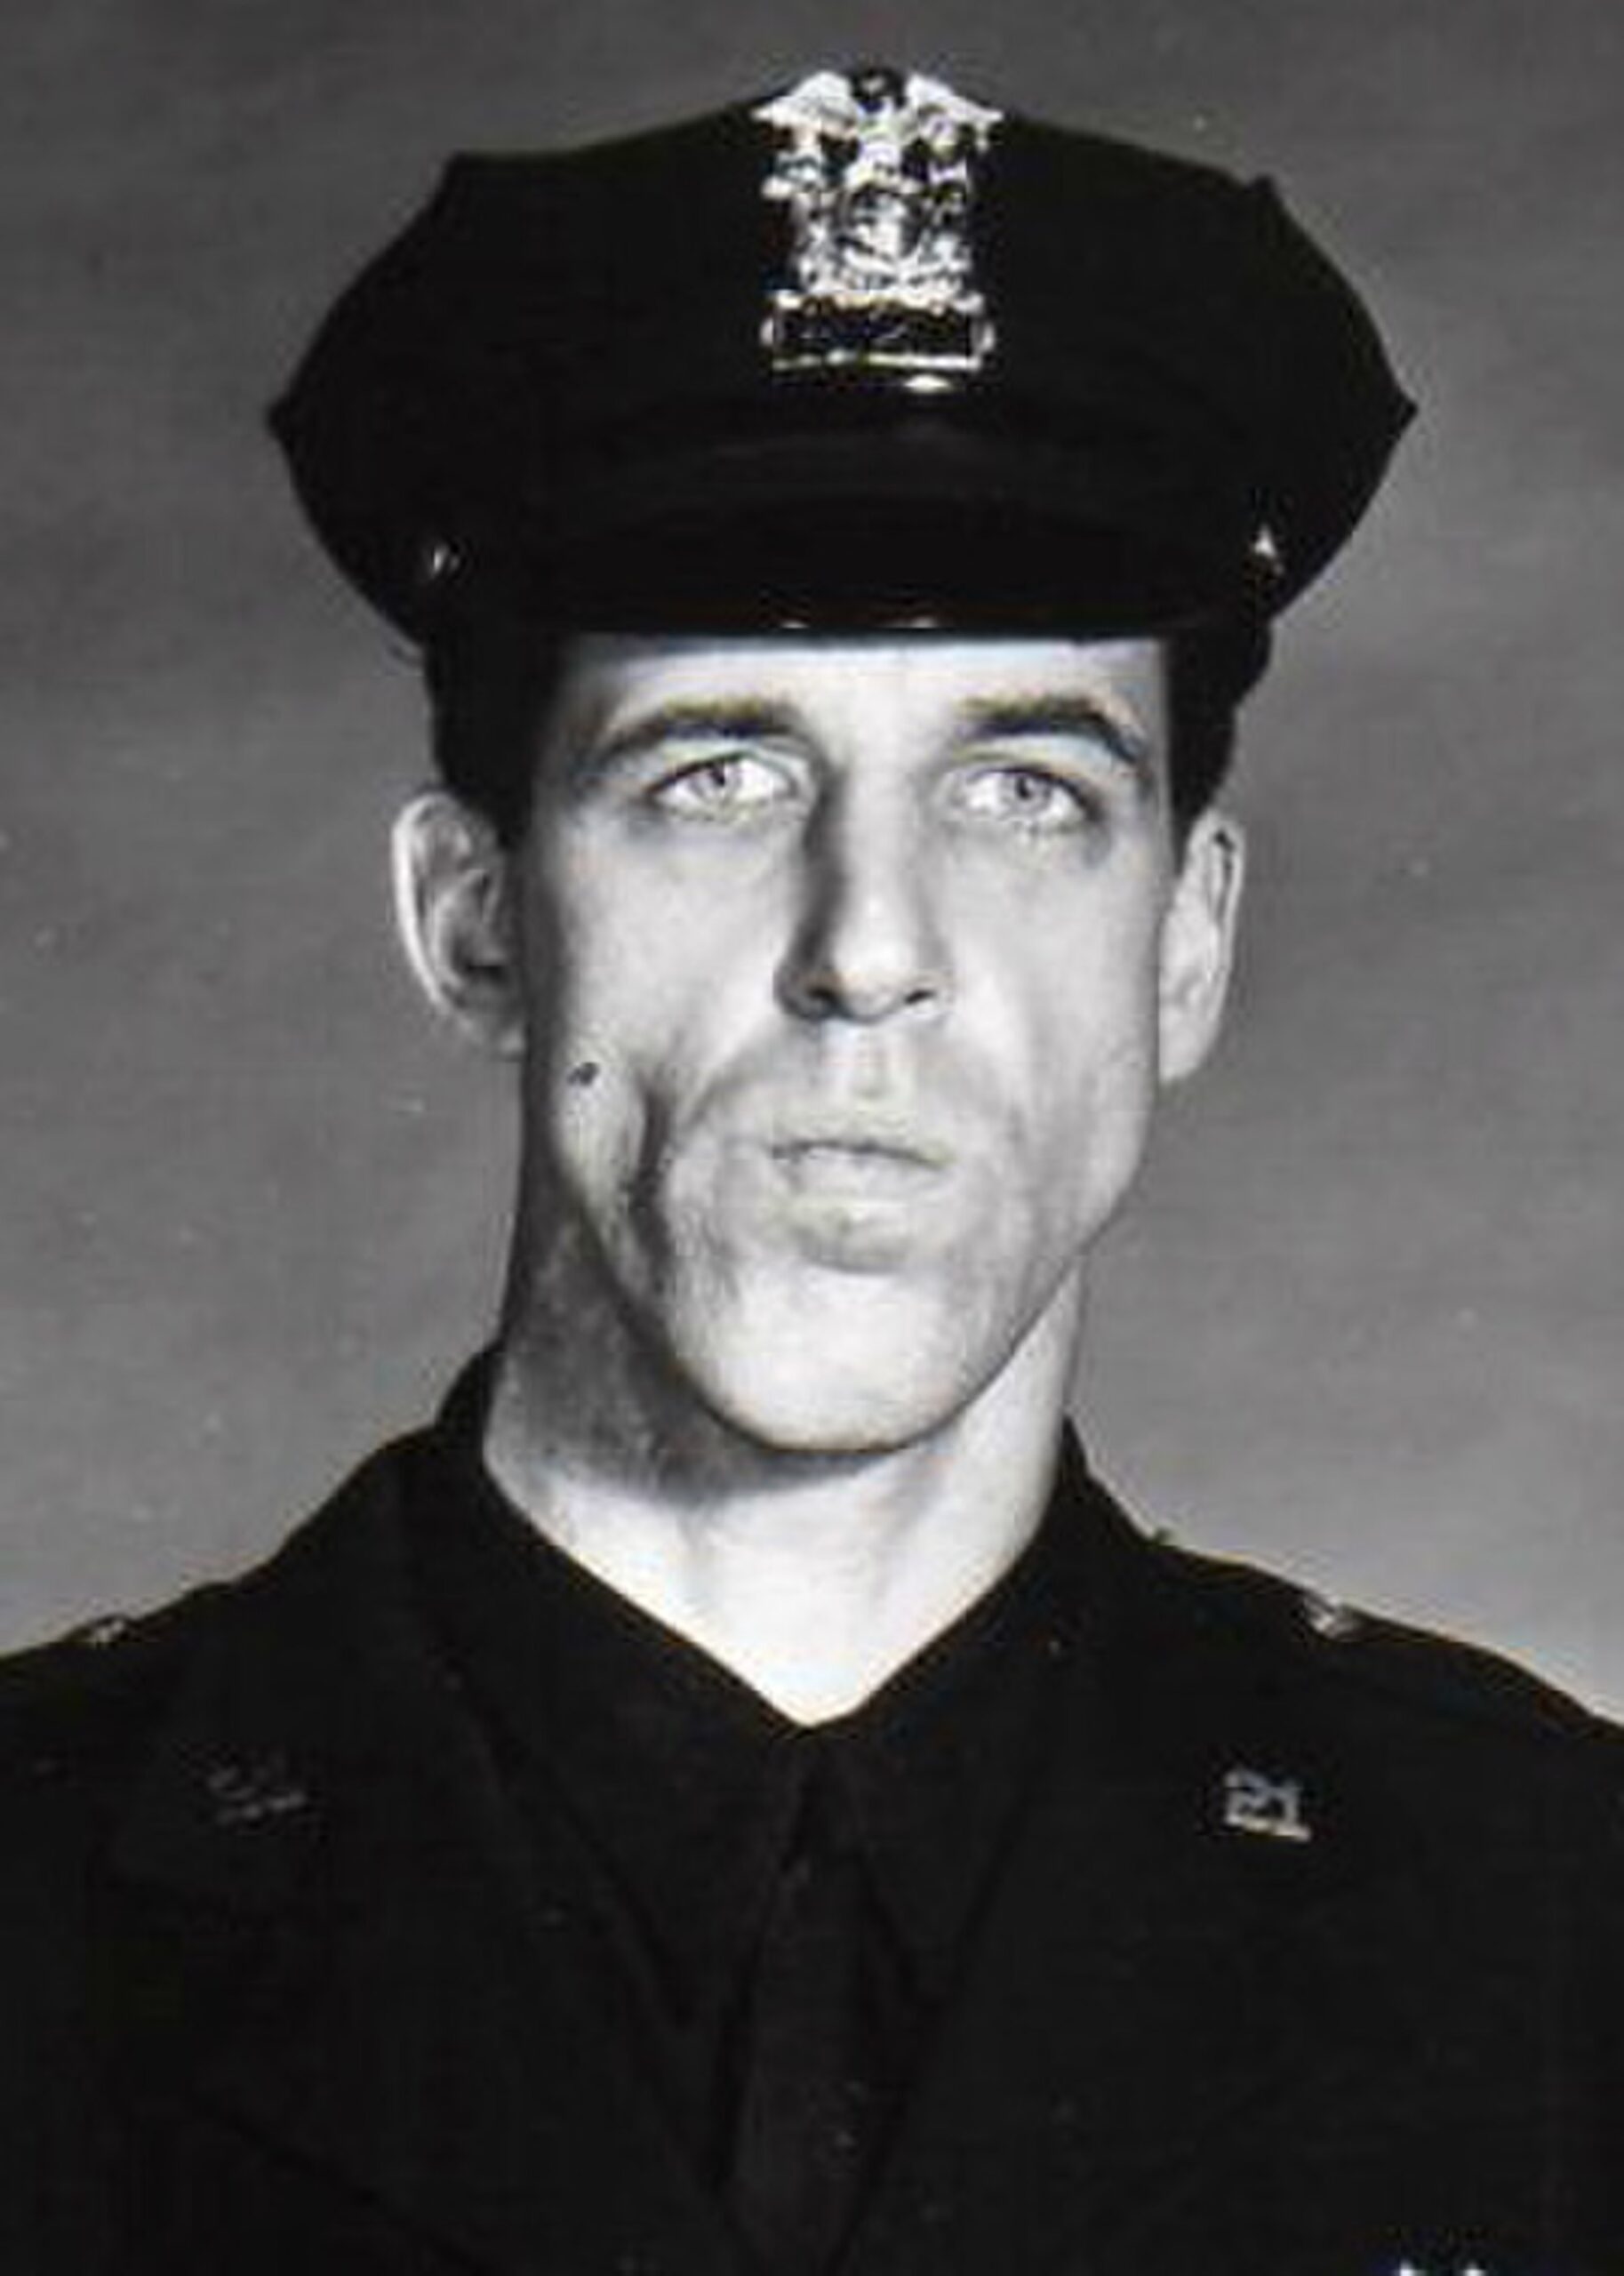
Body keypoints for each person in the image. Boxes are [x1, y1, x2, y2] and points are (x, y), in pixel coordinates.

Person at [3, 62, 1620, 2276]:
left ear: (1182, 942)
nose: (869, 946)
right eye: (719, 773)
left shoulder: (1551, 1928)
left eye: (1024, 792)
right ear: (478, 921)